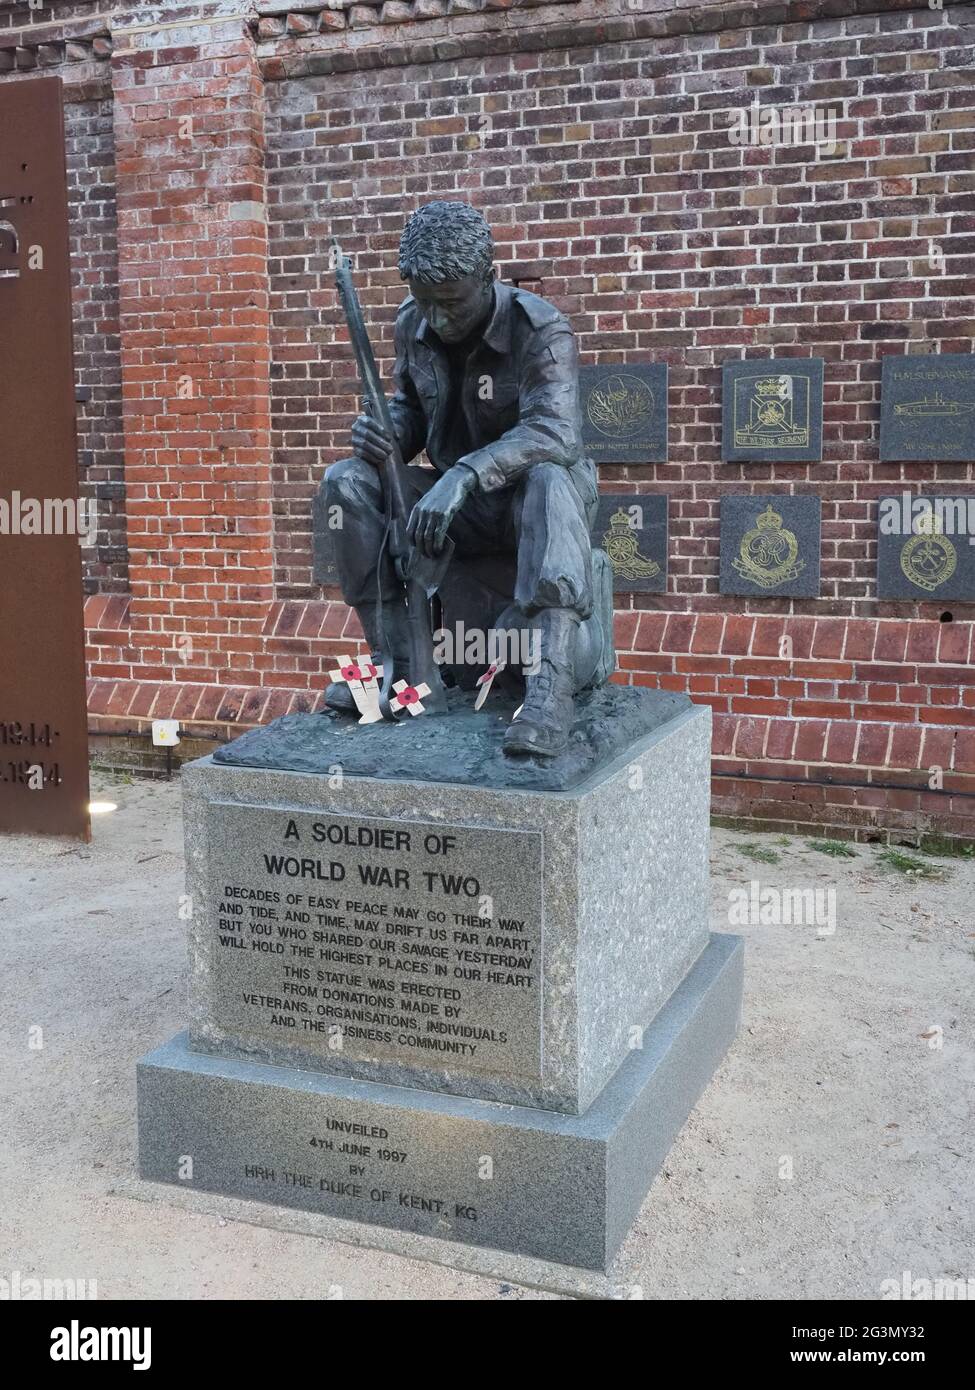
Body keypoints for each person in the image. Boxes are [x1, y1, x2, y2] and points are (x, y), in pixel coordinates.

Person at [322, 200, 599, 758]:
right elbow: (410, 415)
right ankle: (396, 668)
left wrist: (466, 475)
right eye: (424, 302)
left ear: (488, 278)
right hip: (455, 503)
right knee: (347, 483)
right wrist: (383, 436)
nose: (437, 319)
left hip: (531, 499)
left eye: (450, 304)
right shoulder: (413, 322)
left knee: (547, 477)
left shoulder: (540, 330)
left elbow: (556, 433)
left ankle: (550, 685)